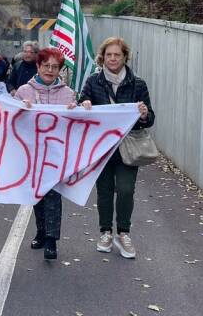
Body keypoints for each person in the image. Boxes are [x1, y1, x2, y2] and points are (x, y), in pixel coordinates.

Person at [79, 37, 153, 259]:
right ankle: (105, 232)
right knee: (104, 191)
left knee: (126, 189)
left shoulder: (138, 84)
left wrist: (144, 114)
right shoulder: (93, 82)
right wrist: (85, 105)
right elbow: (82, 104)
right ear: (103, 56)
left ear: (124, 57)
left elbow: (150, 119)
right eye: (109, 54)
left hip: (127, 148)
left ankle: (123, 232)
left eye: (117, 55)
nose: (113, 58)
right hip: (101, 149)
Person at [14, 47, 77, 260]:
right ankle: (41, 231)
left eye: (55, 67)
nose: (50, 70)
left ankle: (51, 240)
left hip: (55, 153)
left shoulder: (68, 94)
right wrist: (20, 109)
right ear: (38, 66)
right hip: (30, 153)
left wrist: (77, 108)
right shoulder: (24, 91)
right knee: (36, 195)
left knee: (52, 194)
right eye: (46, 65)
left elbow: (76, 123)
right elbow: (12, 121)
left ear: (59, 70)